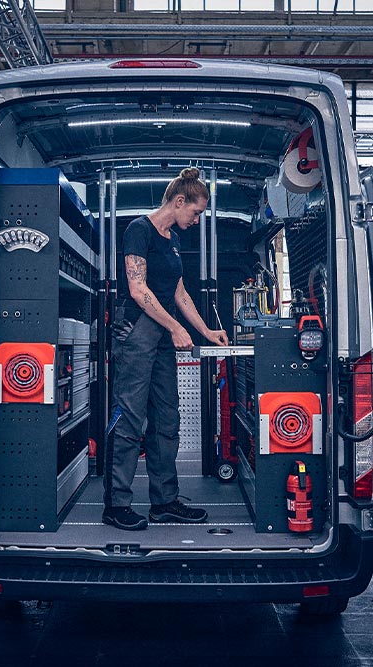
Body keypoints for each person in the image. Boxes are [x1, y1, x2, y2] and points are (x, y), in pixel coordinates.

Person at [103, 168, 229, 531]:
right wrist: (175, 327)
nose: (197, 219)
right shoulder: (139, 230)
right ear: (178, 201)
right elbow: (138, 288)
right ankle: (117, 504)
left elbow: (178, 291)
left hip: (160, 338)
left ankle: (164, 501)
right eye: (196, 212)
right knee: (128, 418)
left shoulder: (172, 240)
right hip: (136, 334)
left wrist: (205, 330)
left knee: (167, 419)